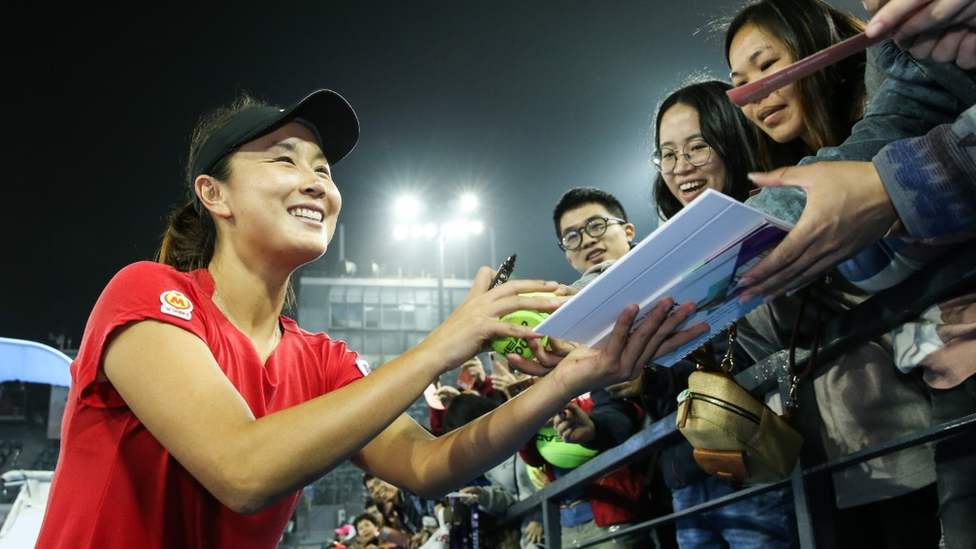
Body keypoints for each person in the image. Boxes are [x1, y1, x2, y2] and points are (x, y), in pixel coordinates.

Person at [33, 88, 706, 549]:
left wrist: (568, 378)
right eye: (282, 159)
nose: (316, 182)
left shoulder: (322, 359)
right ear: (214, 194)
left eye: (323, 168)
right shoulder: (148, 294)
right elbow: (240, 469)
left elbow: (431, 461)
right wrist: (440, 345)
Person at [725, 0, 976, 546]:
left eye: (768, 65)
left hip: (911, 415)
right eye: (739, 82)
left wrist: (888, 191)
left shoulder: (888, 80)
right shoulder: (893, 79)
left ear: (819, 44)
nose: (753, 94)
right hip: (913, 399)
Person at [646, 79, 800, 549]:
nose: (681, 168)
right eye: (667, 154)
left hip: (787, 454)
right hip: (705, 459)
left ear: (732, 139)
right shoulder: (669, 254)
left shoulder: (784, 212)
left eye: (697, 147)